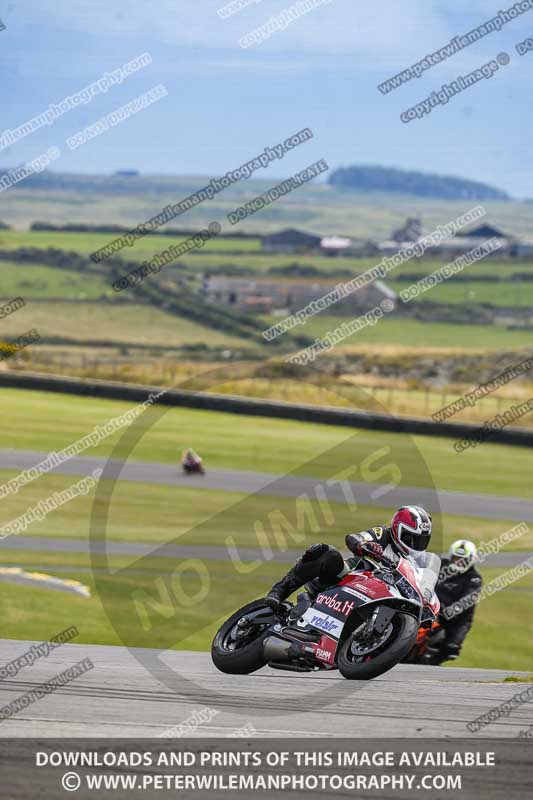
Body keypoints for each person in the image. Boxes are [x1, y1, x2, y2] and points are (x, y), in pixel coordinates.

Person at [265, 505, 434, 610]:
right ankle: (279, 591)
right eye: (410, 537)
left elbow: (424, 583)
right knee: (326, 552)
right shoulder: (383, 534)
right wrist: (364, 545)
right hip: (349, 578)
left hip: (380, 595)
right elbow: (354, 538)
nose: (414, 543)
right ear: (397, 529)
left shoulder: (418, 561)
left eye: (421, 540)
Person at [427, 539, 482, 664]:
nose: (459, 562)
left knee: (451, 648)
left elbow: (468, 599)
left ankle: (430, 664)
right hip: (430, 608)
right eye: (456, 558)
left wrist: (452, 610)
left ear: (471, 560)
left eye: (463, 560)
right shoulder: (441, 565)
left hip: (456, 619)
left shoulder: (474, 578)